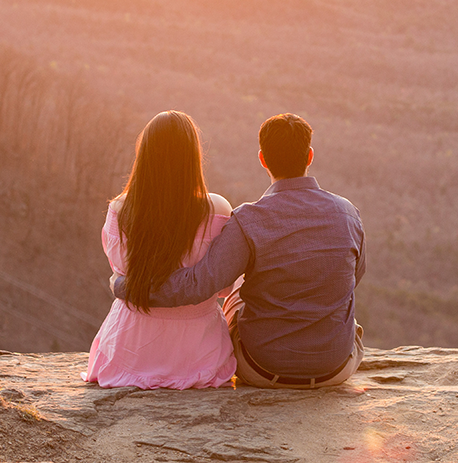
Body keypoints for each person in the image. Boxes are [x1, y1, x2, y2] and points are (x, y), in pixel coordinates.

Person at [113, 113, 365, 388]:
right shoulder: (348, 214)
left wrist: (127, 286)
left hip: (263, 370)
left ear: (263, 159)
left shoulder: (248, 221)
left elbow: (197, 285)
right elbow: (355, 276)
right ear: (309, 156)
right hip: (336, 369)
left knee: (238, 285)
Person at [83, 111, 236, 389]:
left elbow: (123, 275)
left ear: (145, 156)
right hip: (199, 354)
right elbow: (222, 287)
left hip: (129, 350)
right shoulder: (218, 209)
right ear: (192, 157)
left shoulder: (120, 209)